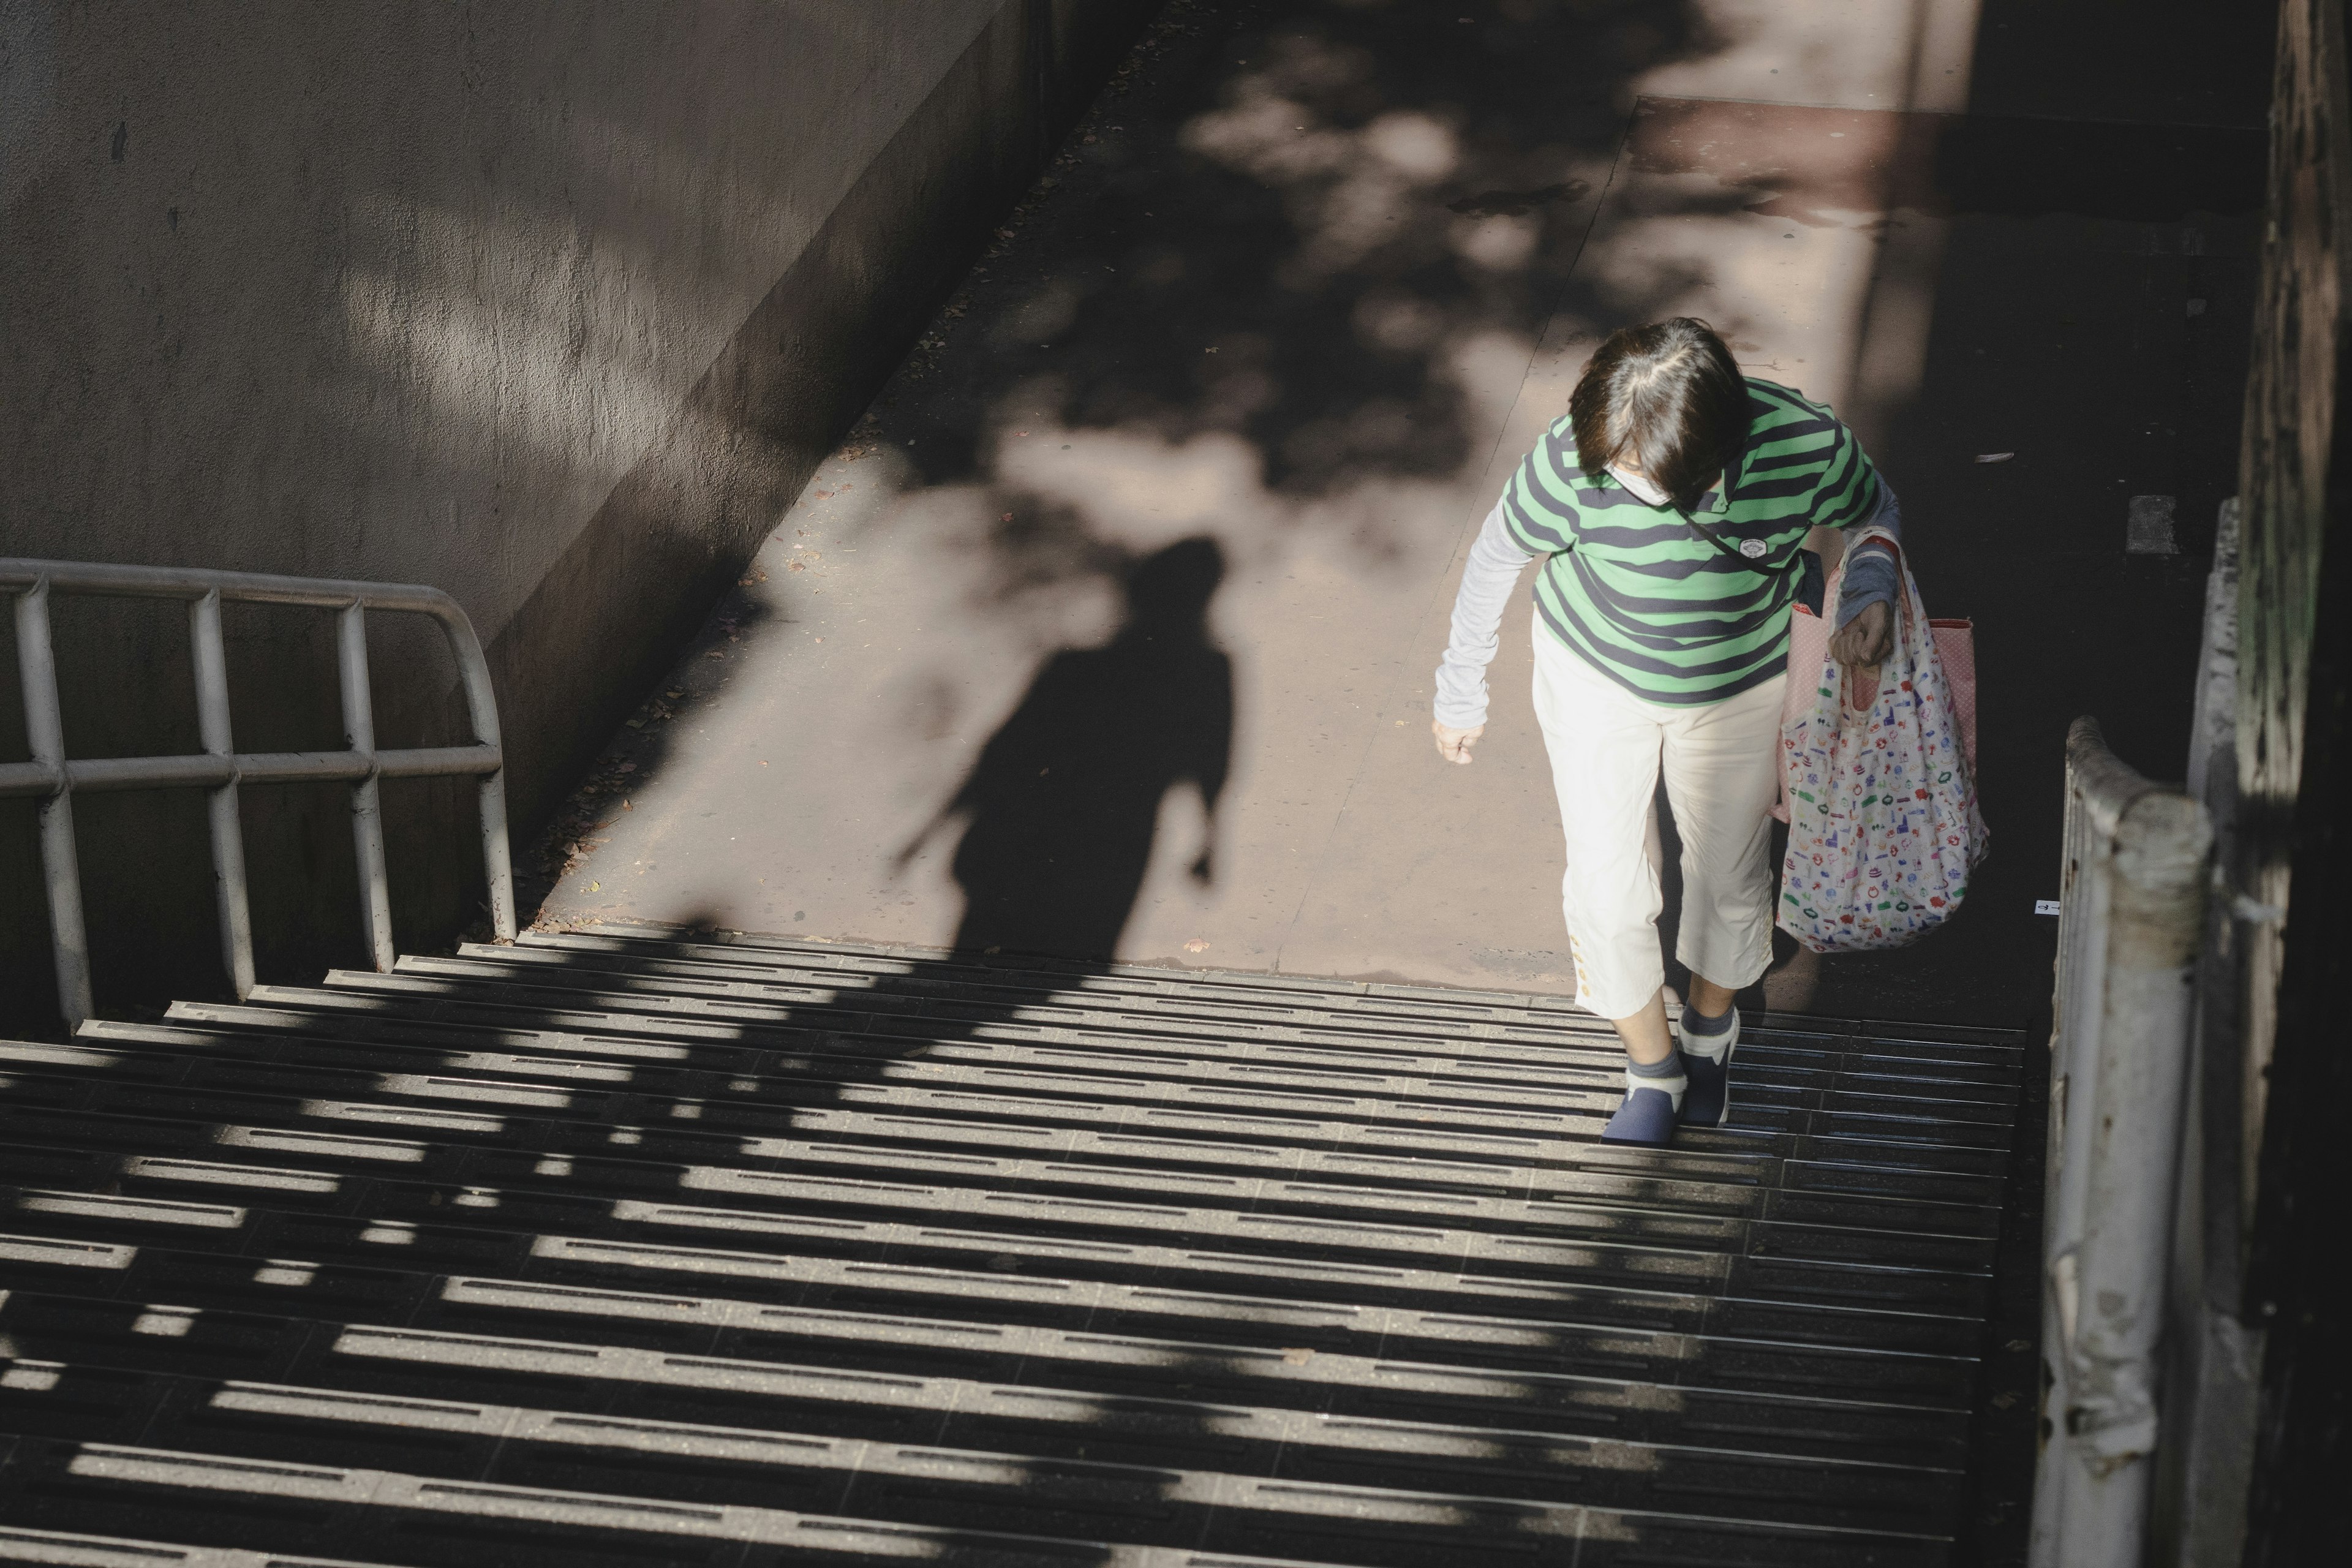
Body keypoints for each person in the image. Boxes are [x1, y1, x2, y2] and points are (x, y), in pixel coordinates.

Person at [1431, 318, 1900, 1146]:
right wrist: (1459, 686)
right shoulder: (1577, 456)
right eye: (1610, 461)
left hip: (1741, 683)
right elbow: (1498, 553)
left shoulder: (1802, 442)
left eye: (1639, 472)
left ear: (1711, 454)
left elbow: (1874, 513)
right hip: (1593, 673)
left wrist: (1869, 587)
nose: (1615, 478)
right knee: (1607, 894)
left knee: (1727, 878)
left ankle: (1709, 1041)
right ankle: (1650, 1068)